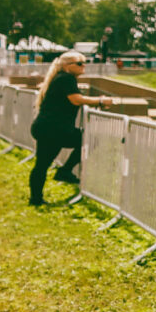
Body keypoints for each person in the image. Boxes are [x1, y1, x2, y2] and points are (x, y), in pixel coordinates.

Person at [28, 50, 112, 205]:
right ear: (67, 66)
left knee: (42, 165)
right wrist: (100, 101)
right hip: (54, 129)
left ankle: (36, 199)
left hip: (47, 128)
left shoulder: (61, 78)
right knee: (89, 139)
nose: (83, 66)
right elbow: (76, 99)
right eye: (79, 63)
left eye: (84, 62)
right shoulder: (67, 78)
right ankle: (65, 171)